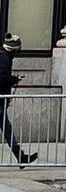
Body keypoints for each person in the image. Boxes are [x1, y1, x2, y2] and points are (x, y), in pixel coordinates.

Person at [0, 35, 37, 166]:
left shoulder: (4, 57)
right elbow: (2, 78)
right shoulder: (4, 58)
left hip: (2, 99)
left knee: (7, 129)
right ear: (12, 50)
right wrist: (14, 79)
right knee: (6, 129)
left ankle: (20, 157)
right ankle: (20, 157)